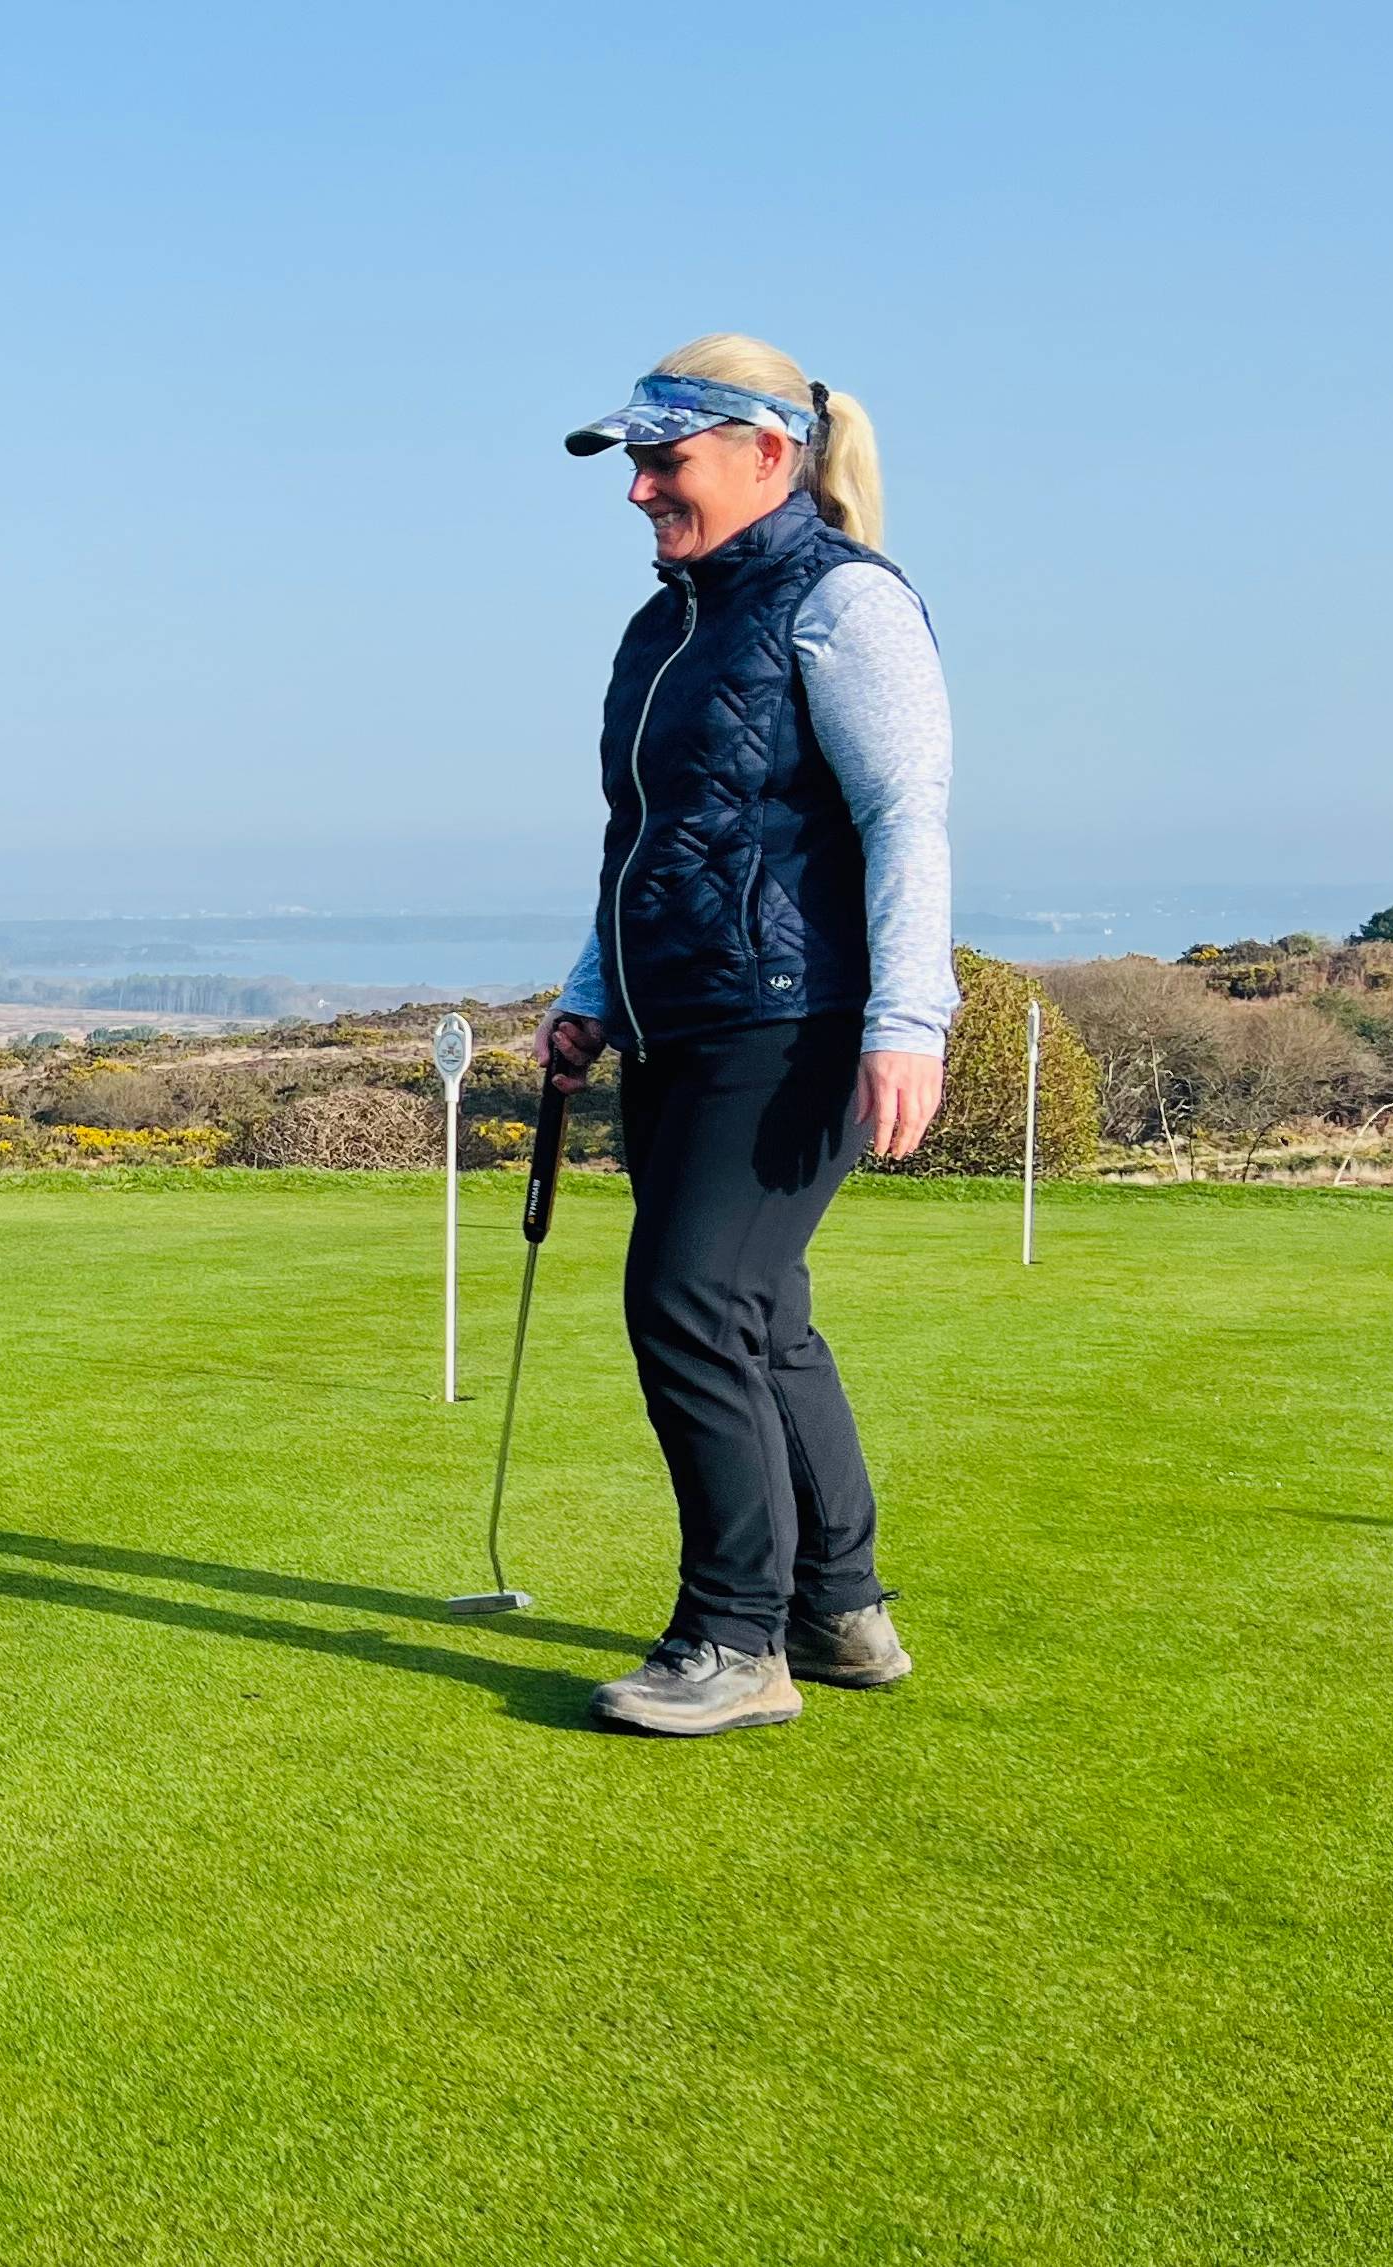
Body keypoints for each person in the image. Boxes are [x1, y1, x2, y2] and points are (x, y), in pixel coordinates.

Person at [539, 336, 949, 1736]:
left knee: (687, 1300)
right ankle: (837, 1610)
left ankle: (731, 1636)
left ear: (764, 451)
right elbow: (638, 836)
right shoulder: (665, 624)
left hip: (796, 1019)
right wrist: (590, 987)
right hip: (677, 1021)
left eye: (664, 457)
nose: (641, 487)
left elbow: (904, 818)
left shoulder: (839, 602)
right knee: (758, 1312)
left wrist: (908, 1020)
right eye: (635, 461)